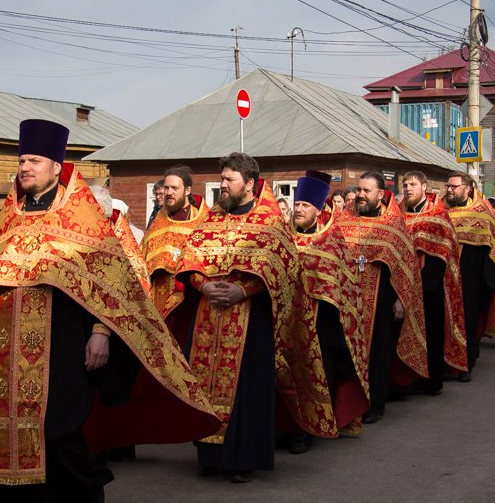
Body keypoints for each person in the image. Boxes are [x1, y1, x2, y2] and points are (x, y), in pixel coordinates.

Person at [0, 120, 215, 503]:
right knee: (12, 438)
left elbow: (113, 282)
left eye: (33, 160)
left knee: (56, 433)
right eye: (21, 161)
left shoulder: (84, 214)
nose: (25, 167)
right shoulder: (11, 215)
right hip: (7, 346)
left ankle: (91, 492)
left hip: (65, 341)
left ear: (57, 165)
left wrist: (101, 333)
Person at [175, 151, 327, 482]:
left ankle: (241, 460)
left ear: (250, 184)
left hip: (250, 317)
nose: (222, 185)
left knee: (246, 389)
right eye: (221, 179)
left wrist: (243, 291)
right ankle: (210, 455)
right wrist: (203, 286)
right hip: (208, 316)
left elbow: (286, 269)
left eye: (229, 180)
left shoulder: (270, 222)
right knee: (205, 382)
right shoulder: (212, 219)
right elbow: (188, 261)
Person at [337, 172, 425, 422]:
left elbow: (407, 265)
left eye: (367, 191)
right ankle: (347, 404)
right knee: (346, 351)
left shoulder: (392, 224)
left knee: (377, 354)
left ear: (380, 194)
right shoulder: (344, 220)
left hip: (381, 299)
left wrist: (401, 300)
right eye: (359, 190)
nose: (361, 195)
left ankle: (374, 405)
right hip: (348, 298)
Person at [290, 171, 369, 443]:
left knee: (319, 372)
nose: (298, 210)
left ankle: (313, 428)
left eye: (305, 206)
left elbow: (342, 283)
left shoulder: (331, 238)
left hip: (322, 321)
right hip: (287, 320)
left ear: (318, 209)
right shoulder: (284, 235)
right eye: (297, 205)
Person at [399, 171, 467, 392]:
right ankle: (407, 377)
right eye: (405, 184)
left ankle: (431, 381)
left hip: (430, 286)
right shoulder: (398, 213)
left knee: (431, 333)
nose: (408, 188)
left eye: (413, 184)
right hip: (402, 284)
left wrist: (425, 287)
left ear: (424, 186)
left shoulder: (437, 214)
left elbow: (443, 251)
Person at [445, 173, 495, 378]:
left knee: (467, 321)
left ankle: (465, 365)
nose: (449, 190)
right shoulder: (442, 212)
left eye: (454, 186)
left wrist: (487, 284)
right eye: (448, 186)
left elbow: (493, 249)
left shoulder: (481, 213)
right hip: (444, 278)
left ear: (468, 188)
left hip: (470, 278)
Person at [141, 164, 206, 322]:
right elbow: (141, 261)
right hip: (159, 299)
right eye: (166, 188)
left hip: (191, 299)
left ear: (187, 190)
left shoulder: (202, 222)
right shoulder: (158, 223)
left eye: (174, 188)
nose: (168, 193)